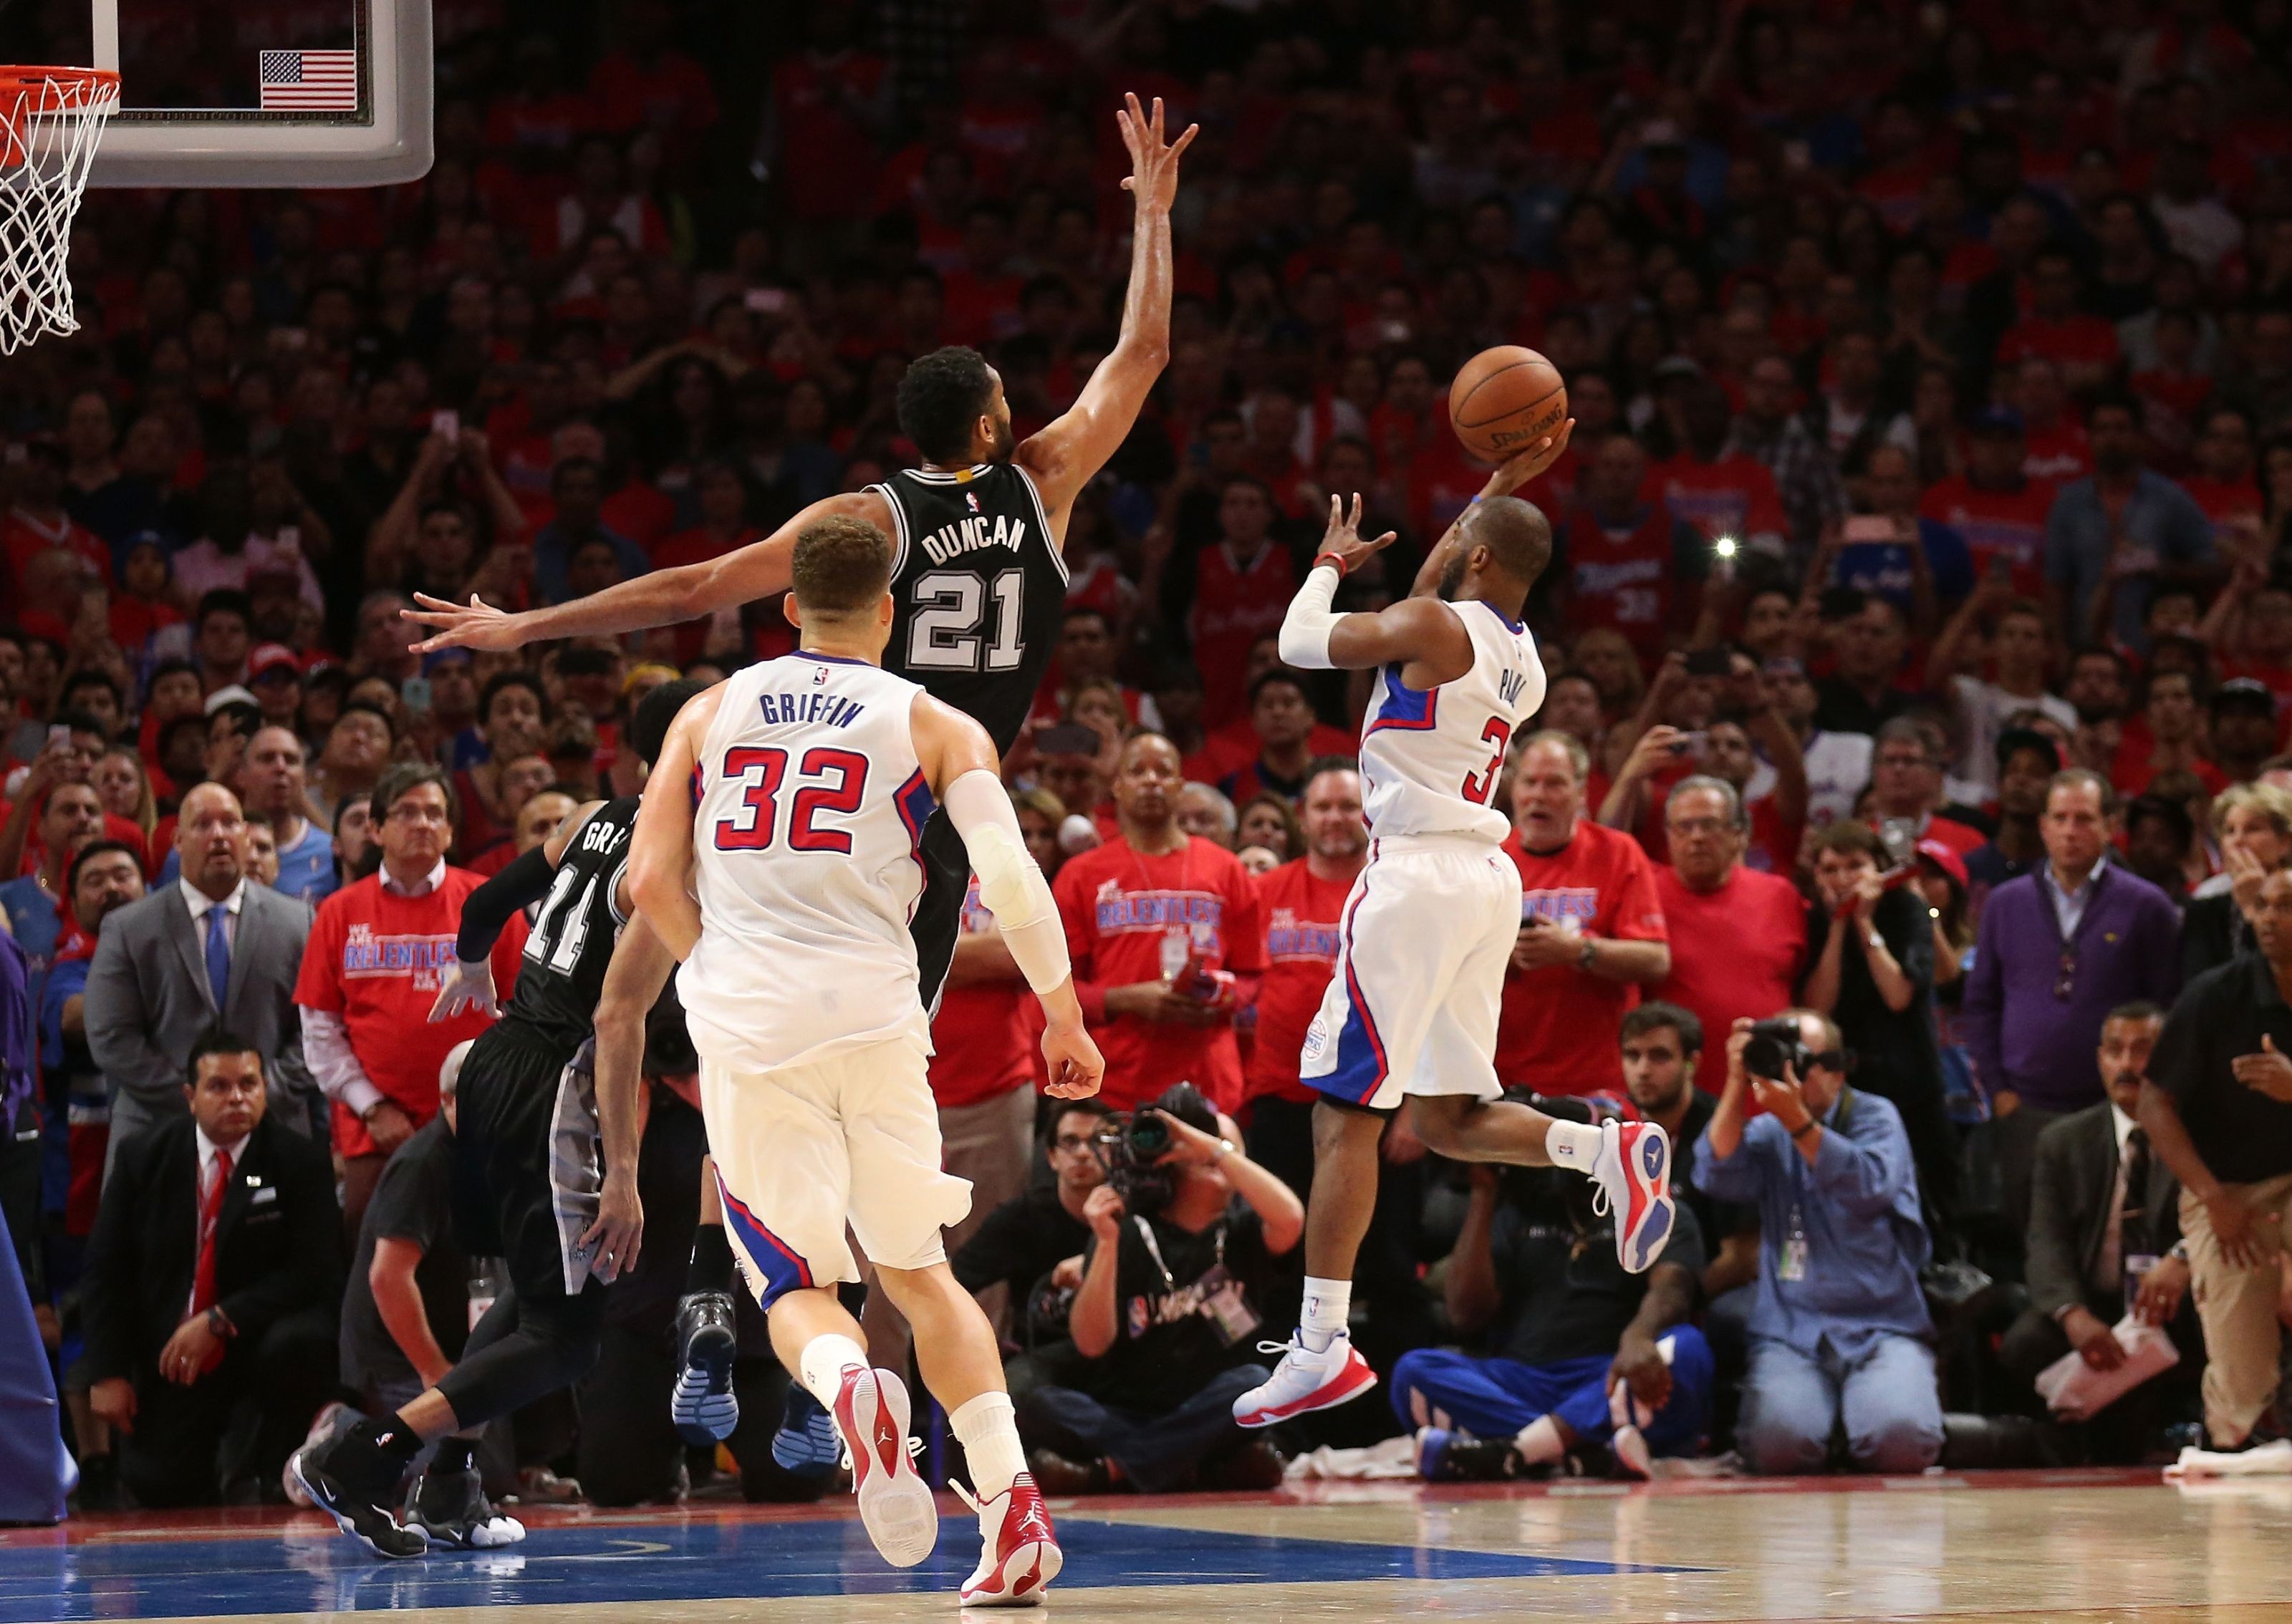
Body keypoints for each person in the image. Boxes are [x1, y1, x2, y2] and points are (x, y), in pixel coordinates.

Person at [407, 98, 1195, 1411]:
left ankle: (768, 1295)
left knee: (738, 1027)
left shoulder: (861, 521)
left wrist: (527, 623)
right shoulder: (1045, 475)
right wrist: (1152, 213)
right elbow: (1146, 348)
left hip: (828, 785)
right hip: (939, 792)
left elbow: (696, 581)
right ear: (997, 428)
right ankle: (806, 1312)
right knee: (872, 1086)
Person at [624, 516, 1109, 1603]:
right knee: (920, 1274)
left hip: (751, 1022)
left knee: (795, 1282)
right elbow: (1014, 883)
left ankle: (850, 1392)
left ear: (787, 608)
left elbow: (648, 881)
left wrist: (723, 962)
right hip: (881, 1016)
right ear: (891, 612)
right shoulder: (934, 721)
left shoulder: (708, 711)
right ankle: (1012, 1505)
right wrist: (1065, 1018)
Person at [1235, 481, 1676, 1432]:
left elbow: (1301, 643)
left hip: (1414, 880)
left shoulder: (1436, 627)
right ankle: (1605, 1149)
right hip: (1486, 878)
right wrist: (1491, 493)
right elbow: (1446, 583)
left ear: (1474, 558)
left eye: (1461, 541)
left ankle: (1318, 1344)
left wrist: (1326, 565)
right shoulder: (1526, 662)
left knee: (1345, 1110)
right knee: (1447, 1117)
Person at [294, 683, 695, 1555]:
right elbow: (618, 1018)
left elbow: (480, 907)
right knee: (566, 1339)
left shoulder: (591, 817)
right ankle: (368, 1457)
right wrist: (622, 1177)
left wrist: (475, 967)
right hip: (552, 1085)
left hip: (497, 1061)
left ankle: (447, 1487)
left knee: (534, 1298)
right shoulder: (679, 851)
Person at [81, 1033, 342, 1507]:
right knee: (157, 1484)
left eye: (249, 1083)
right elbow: (106, 1270)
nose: (238, 1098)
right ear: (190, 1097)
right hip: (173, 1351)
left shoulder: (299, 1160)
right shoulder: (143, 1157)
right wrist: (108, 1372)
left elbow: (317, 1273)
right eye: (219, 1087)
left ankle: (280, 1466)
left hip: (261, 1340)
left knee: (302, 1342)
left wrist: (222, 1318)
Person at [1401, 1102, 1711, 1482]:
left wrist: (1639, 1335)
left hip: (1606, 1377)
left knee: (1686, 1349)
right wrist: (1484, 1194)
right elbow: (1465, 1315)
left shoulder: (1657, 1210)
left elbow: (1673, 1289)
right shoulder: (1521, 1210)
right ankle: (1577, 1453)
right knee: (1414, 1371)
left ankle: (1514, 1452)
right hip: (1525, 1381)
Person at [1693, 1010, 1946, 1475]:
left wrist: (1799, 1124)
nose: (1786, 1073)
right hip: (1794, 1330)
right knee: (1779, 1449)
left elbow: (1869, 1186)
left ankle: (1855, 1426)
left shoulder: (1875, 1116)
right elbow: (1715, 1171)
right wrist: (1735, 1082)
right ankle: (1830, 1431)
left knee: (1901, 1443)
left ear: (1836, 1069)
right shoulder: (1770, 1131)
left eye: (1799, 1061)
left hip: (1881, 1325)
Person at [1022, 1083, 1301, 1494]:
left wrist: (1213, 1149)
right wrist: (1106, 1244)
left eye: (1222, 1145)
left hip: (1212, 1403)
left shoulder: (1241, 1233)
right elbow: (1091, 1344)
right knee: (1038, 1403)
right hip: (1126, 1411)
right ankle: (1192, 1469)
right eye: (1195, 1144)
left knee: (1256, 1384)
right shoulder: (1130, 1230)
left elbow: (1292, 1218)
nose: (1210, 1153)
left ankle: (1112, 1472)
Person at [294, 764, 529, 1241]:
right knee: (377, 1262)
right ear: (376, 829)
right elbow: (320, 1031)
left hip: (478, 1122)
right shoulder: (338, 912)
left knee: (478, 1262)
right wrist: (373, 1109)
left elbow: (525, 1016)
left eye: (434, 813)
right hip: (373, 1132)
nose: (422, 823)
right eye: (406, 812)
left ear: (449, 831)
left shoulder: (488, 904)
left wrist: (485, 1100)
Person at [1963, 770, 2184, 1240]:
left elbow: (2169, 1008)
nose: (2069, 831)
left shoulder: (2148, 906)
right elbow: (1980, 1004)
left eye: (2083, 819)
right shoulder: (2005, 903)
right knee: (2035, 1237)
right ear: (2042, 825)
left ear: (2109, 826)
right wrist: (1999, 1093)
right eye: (2059, 818)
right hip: (2025, 1106)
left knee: (2116, 1235)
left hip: (2113, 1105)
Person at [2139, 867, 2292, 1451]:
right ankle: (2231, 1444)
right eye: (2263, 907)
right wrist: (2213, 1198)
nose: (2271, 919)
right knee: (2241, 1369)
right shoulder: (2215, 994)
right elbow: (2154, 1103)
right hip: (2228, 1188)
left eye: (2287, 907)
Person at [2000, 1004, 2195, 1459]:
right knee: (2024, 1343)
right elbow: (2045, 1242)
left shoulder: (2199, 1132)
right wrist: (2074, 1315)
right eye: (2115, 1051)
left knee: (2213, 1330)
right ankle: (2077, 1446)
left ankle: (2135, 1434)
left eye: (2142, 1051)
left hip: (2175, 1307)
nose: (2126, 1064)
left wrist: (2183, 1257)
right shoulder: (2063, 1141)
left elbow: (2222, 1212)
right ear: (2100, 1059)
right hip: (2096, 1301)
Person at [86, 784, 316, 1164]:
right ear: (177, 840)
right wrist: (201, 1101)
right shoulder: (128, 928)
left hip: (273, 1129)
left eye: (230, 823)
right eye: (203, 824)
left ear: (246, 835)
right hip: (156, 1132)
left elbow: (315, 1028)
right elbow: (112, 1037)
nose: (219, 835)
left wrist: (254, 1098)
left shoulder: (298, 922)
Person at [1051, 732, 1266, 1113]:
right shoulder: (1080, 875)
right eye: (1137, 771)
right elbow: (1056, 992)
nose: (1151, 780)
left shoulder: (1226, 868)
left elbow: (1252, 978)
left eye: (1163, 772)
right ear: (1117, 786)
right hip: (1114, 1084)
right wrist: (1126, 1000)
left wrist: (1219, 993)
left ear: (1180, 786)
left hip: (1208, 1084)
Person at [1496, 730, 1670, 1096]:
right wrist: (1496, 953)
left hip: (1600, 1082)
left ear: (1581, 793)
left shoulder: (1617, 852)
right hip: (1506, 1079)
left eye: (1555, 784)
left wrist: (1578, 951)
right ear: (1514, 790)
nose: (1538, 795)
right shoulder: (1489, 860)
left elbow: (1655, 959)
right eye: (1530, 782)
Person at [1801, 819, 1957, 1228]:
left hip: (1912, 1082)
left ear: (1878, 869)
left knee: (1932, 1202)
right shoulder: (1815, 920)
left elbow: (1899, 995)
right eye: (1830, 869)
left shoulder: (1908, 909)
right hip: (1848, 1083)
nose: (1842, 879)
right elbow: (1819, 1006)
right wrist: (1838, 927)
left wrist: (1865, 923)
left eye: (1854, 866)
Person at [1647, 777, 1809, 1067]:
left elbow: (1805, 988)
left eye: (1709, 825)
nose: (1696, 837)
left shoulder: (1780, 896)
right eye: (1684, 827)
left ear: (1737, 834)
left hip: (1768, 1089)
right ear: (1668, 836)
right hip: (1676, 1096)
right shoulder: (1644, 895)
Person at [2183, 783, 2292, 981]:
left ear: (2285, 842)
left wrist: (2254, 909)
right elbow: (2197, 984)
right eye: (2230, 831)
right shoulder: (2206, 903)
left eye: (2253, 829)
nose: (2238, 841)